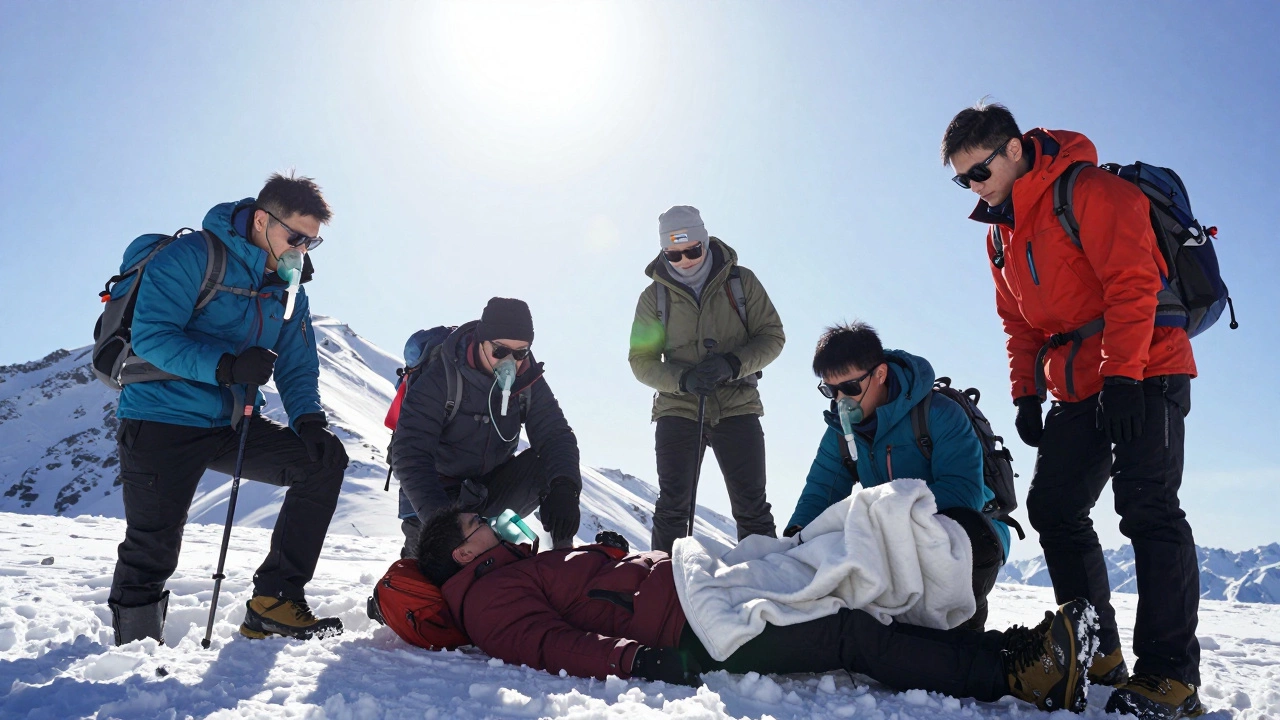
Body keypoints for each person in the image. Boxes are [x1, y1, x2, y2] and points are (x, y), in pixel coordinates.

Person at [941, 100, 1201, 720]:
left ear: (1011, 149)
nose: (973, 188)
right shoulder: (1000, 233)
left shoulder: (1091, 191)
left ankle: (1172, 677)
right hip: (1079, 385)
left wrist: (1125, 377)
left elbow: (1133, 284)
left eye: (979, 172)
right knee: (1053, 508)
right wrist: (1026, 391)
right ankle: (1097, 648)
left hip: (1148, 367)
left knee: (1148, 509)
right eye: (961, 180)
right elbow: (1018, 322)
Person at [415, 505, 1100, 714]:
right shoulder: (486, 600)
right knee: (847, 635)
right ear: (462, 553)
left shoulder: (507, 571)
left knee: (843, 585)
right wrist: (635, 659)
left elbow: (579, 595)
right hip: (695, 626)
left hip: (696, 588)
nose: (494, 524)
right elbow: (548, 644)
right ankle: (1017, 675)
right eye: (480, 522)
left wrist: (607, 558)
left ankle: (1015, 649)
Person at [108, 173, 348, 643]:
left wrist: (309, 421)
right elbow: (152, 336)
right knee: (153, 545)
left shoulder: (288, 287)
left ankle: (274, 603)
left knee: (323, 463)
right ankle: (133, 653)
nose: (302, 250)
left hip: (231, 421)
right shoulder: (190, 257)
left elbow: (297, 365)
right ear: (262, 220)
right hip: (161, 417)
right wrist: (227, 367)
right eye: (295, 237)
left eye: (312, 242)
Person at [785, 322, 1011, 630]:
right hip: (891, 538)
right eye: (830, 390)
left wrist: (884, 512)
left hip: (969, 535)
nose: (840, 400)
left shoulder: (939, 414)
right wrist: (795, 540)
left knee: (967, 534)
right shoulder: (840, 432)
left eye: (849, 387)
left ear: (880, 374)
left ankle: (965, 634)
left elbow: (962, 495)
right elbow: (820, 492)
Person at [628, 205, 785, 553]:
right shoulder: (653, 298)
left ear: (705, 240)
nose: (684, 260)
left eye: (692, 250)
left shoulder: (741, 282)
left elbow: (772, 336)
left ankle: (768, 591)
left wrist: (733, 363)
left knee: (752, 509)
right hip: (678, 409)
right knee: (672, 508)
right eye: (673, 253)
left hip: (738, 404)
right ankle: (664, 592)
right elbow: (641, 361)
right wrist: (683, 380)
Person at [391, 297, 582, 557]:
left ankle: (562, 566)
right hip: (435, 495)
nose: (510, 362)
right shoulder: (441, 375)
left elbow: (556, 436)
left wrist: (565, 488)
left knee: (550, 466)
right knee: (433, 577)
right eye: (500, 350)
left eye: (520, 352)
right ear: (480, 341)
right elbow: (410, 453)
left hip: (490, 489)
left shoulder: (527, 379)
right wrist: (443, 524)